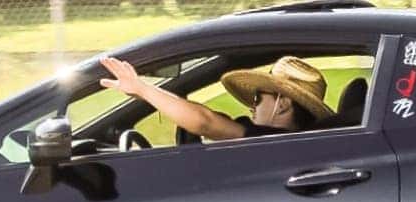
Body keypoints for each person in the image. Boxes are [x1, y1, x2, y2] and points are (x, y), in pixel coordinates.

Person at [99, 56, 334, 140]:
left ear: (282, 104)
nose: (252, 107)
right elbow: (216, 121)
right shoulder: (296, 142)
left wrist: (142, 89)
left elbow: (206, 122)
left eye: (257, 98)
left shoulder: (272, 139)